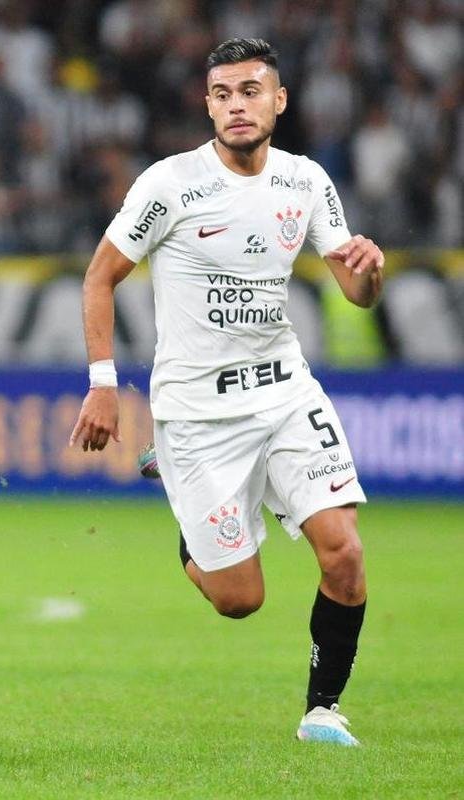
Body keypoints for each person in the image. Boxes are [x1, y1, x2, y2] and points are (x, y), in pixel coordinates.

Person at [69, 38, 383, 746]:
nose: (236, 106)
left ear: (279, 100)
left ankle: (322, 711)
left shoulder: (306, 182)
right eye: (222, 94)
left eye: (250, 91)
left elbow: (357, 293)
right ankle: (188, 511)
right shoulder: (170, 185)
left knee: (345, 553)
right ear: (208, 105)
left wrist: (370, 269)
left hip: (284, 394)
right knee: (239, 600)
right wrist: (102, 385)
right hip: (198, 415)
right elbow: (99, 277)